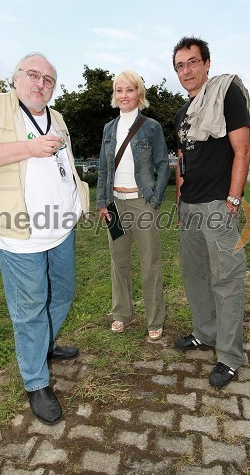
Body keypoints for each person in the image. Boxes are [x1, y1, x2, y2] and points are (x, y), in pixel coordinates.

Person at [0, 52, 89, 425]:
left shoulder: (57, 117)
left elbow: (64, 163)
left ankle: (43, 348)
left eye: (48, 80)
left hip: (60, 227)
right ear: (16, 78)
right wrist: (30, 148)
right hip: (20, 233)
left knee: (61, 294)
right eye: (34, 75)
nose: (41, 84)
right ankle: (36, 381)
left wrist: (76, 197)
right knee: (30, 310)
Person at [172, 37, 250, 388]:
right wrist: (179, 196)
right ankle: (205, 333)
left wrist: (233, 200)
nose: (186, 71)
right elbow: (183, 160)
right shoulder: (182, 113)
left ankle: (230, 356)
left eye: (192, 62)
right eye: (179, 66)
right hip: (189, 207)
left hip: (218, 205)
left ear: (207, 63)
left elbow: (243, 150)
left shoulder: (226, 95)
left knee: (226, 279)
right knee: (195, 275)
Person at [96, 71, 170, 341]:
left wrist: (155, 199)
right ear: (115, 95)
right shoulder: (108, 128)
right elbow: (103, 168)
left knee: (150, 263)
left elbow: (163, 165)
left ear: (139, 93)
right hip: (115, 205)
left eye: (129, 90)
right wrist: (102, 202)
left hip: (142, 204)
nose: (123, 95)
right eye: (119, 90)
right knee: (119, 262)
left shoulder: (151, 127)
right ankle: (122, 314)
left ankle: (155, 318)